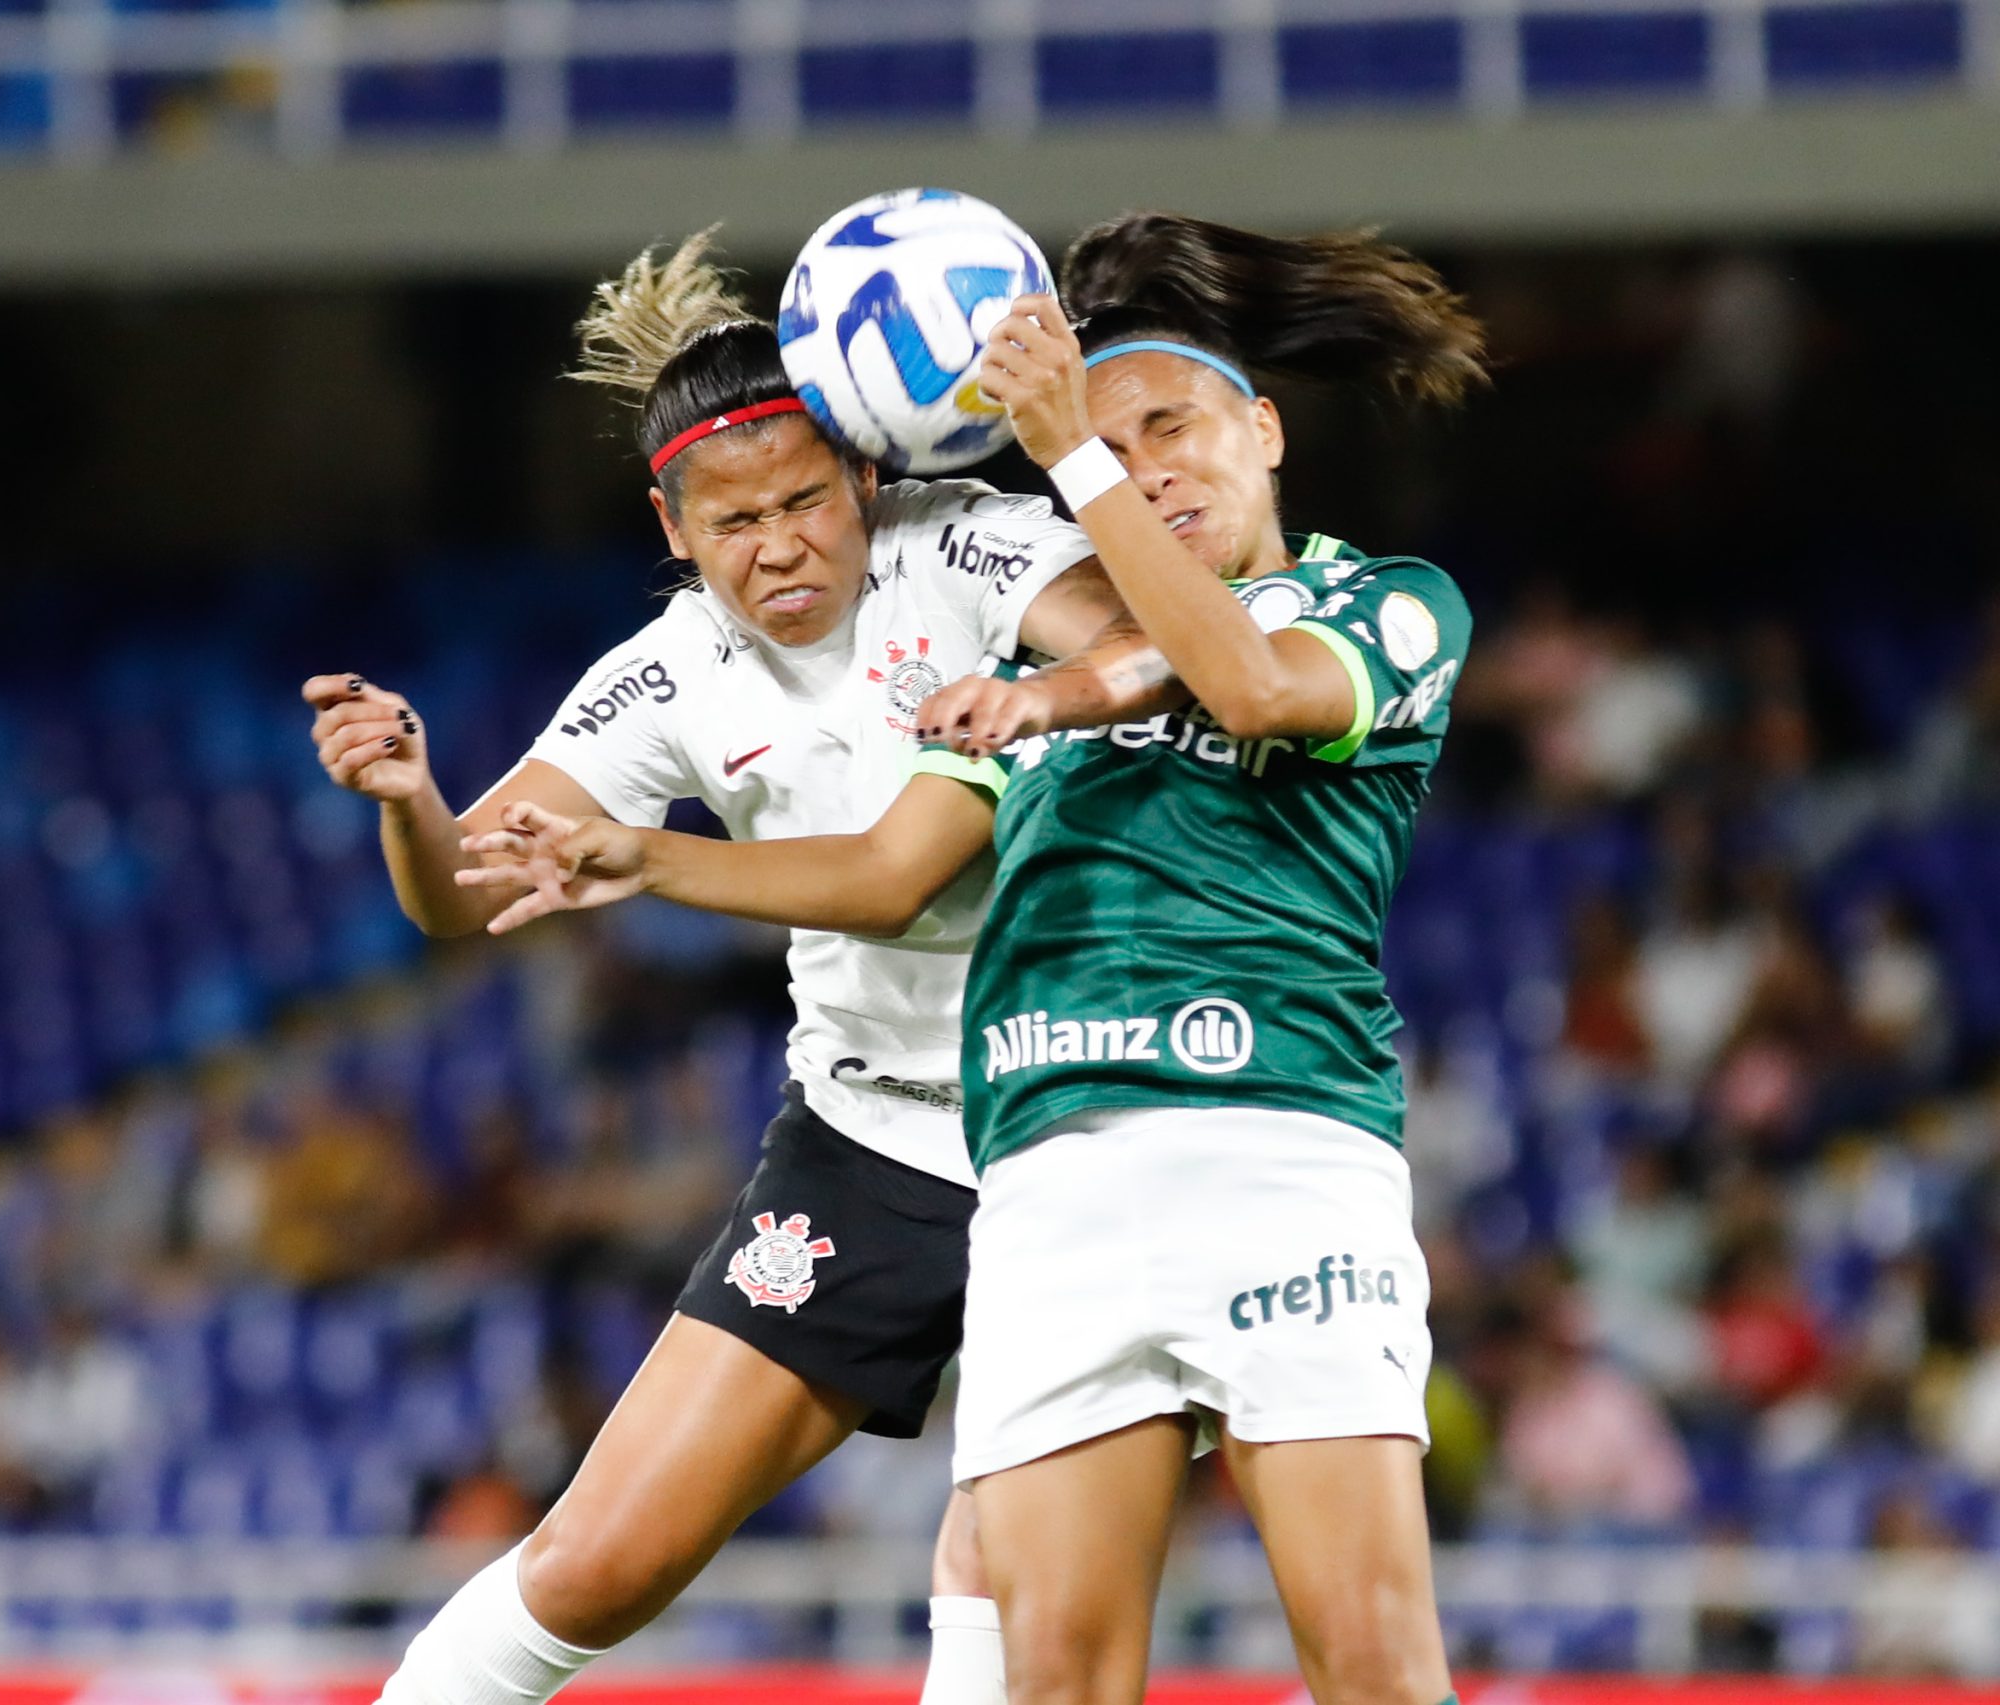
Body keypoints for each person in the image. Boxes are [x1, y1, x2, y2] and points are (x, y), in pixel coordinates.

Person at [466, 212, 1488, 1705]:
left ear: (1263, 429)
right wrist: (656, 854)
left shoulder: (1381, 603)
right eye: (1113, 441)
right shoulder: (1038, 673)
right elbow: (889, 870)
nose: (1143, 461)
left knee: (1377, 1667)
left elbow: (1247, 677)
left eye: (1173, 427)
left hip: (1278, 1154)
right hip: (1047, 1189)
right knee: (1051, 1673)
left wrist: (1068, 450)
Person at [303, 230, 1179, 1705]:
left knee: (1003, 1582)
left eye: (801, 501)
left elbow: (1133, 676)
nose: (777, 546)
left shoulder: (977, 549)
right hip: (870, 1141)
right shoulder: (669, 670)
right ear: (673, 530)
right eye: (733, 522)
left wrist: (654, 858)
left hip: (1088, 1129)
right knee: (597, 1559)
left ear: (865, 479)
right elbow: (463, 893)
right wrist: (413, 803)